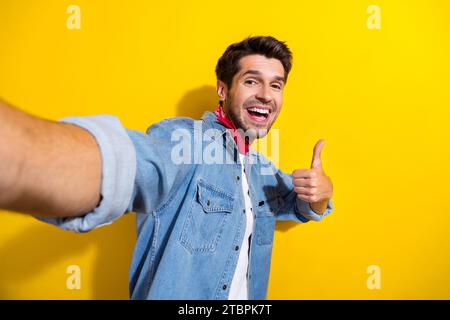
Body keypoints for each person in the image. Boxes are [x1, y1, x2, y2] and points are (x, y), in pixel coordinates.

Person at [0, 36, 334, 299]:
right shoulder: (182, 141)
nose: (265, 95)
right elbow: (135, 165)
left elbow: (300, 205)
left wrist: (320, 193)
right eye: (251, 81)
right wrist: (23, 157)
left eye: (276, 85)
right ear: (222, 89)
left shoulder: (261, 169)